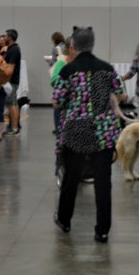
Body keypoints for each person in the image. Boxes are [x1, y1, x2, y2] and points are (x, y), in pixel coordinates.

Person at [53, 26, 126, 243]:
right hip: (103, 131)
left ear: (73, 46)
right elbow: (122, 94)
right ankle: (102, 230)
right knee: (103, 182)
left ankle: (65, 220)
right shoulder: (106, 68)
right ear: (93, 44)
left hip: (76, 129)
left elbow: (57, 101)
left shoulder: (68, 70)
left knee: (71, 178)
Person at [2, 29, 22, 134]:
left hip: (11, 81)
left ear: (10, 37)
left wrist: (4, 79)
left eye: (5, 36)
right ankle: (14, 126)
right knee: (13, 103)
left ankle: (14, 128)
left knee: (12, 104)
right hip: (11, 81)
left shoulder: (14, 50)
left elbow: (11, 68)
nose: (4, 38)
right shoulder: (11, 49)